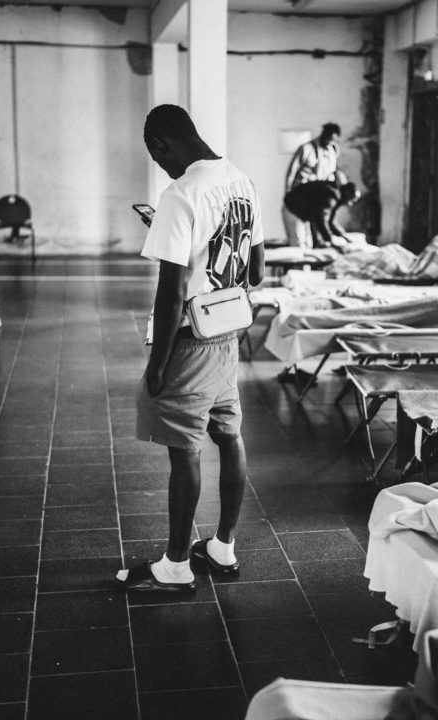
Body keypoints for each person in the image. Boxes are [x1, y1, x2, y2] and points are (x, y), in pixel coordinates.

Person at [115, 104, 265, 593]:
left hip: (188, 342)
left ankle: (176, 566)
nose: (162, 168)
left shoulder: (181, 194)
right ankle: (222, 548)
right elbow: (256, 272)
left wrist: (158, 364)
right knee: (229, 436)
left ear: (161, 144)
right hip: (226, 336)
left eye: (158, 159)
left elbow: (171, 292)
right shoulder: (241, 180)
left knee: (185, 451)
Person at [282, 122, 340, 248]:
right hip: (303, 196)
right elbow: (291, 171)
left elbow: (332, 173)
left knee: (314, 238)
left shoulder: (333, 150)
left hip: (318, 198)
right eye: (328, 138)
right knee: (299, 240)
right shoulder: (306, 148)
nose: (329, 142)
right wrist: (288, 192)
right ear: (324, 134)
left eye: (332, 140)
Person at [283, 172, 363, 250]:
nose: (350, 204)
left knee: (308, 245)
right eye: (352, 200)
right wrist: (330, 240)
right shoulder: (331, 198)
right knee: (299, 247)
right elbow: (321, 220)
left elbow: (331, 221)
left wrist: (343, 236)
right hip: (292, 210)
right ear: (347, 194)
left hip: (301, 212)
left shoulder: (336, 195)